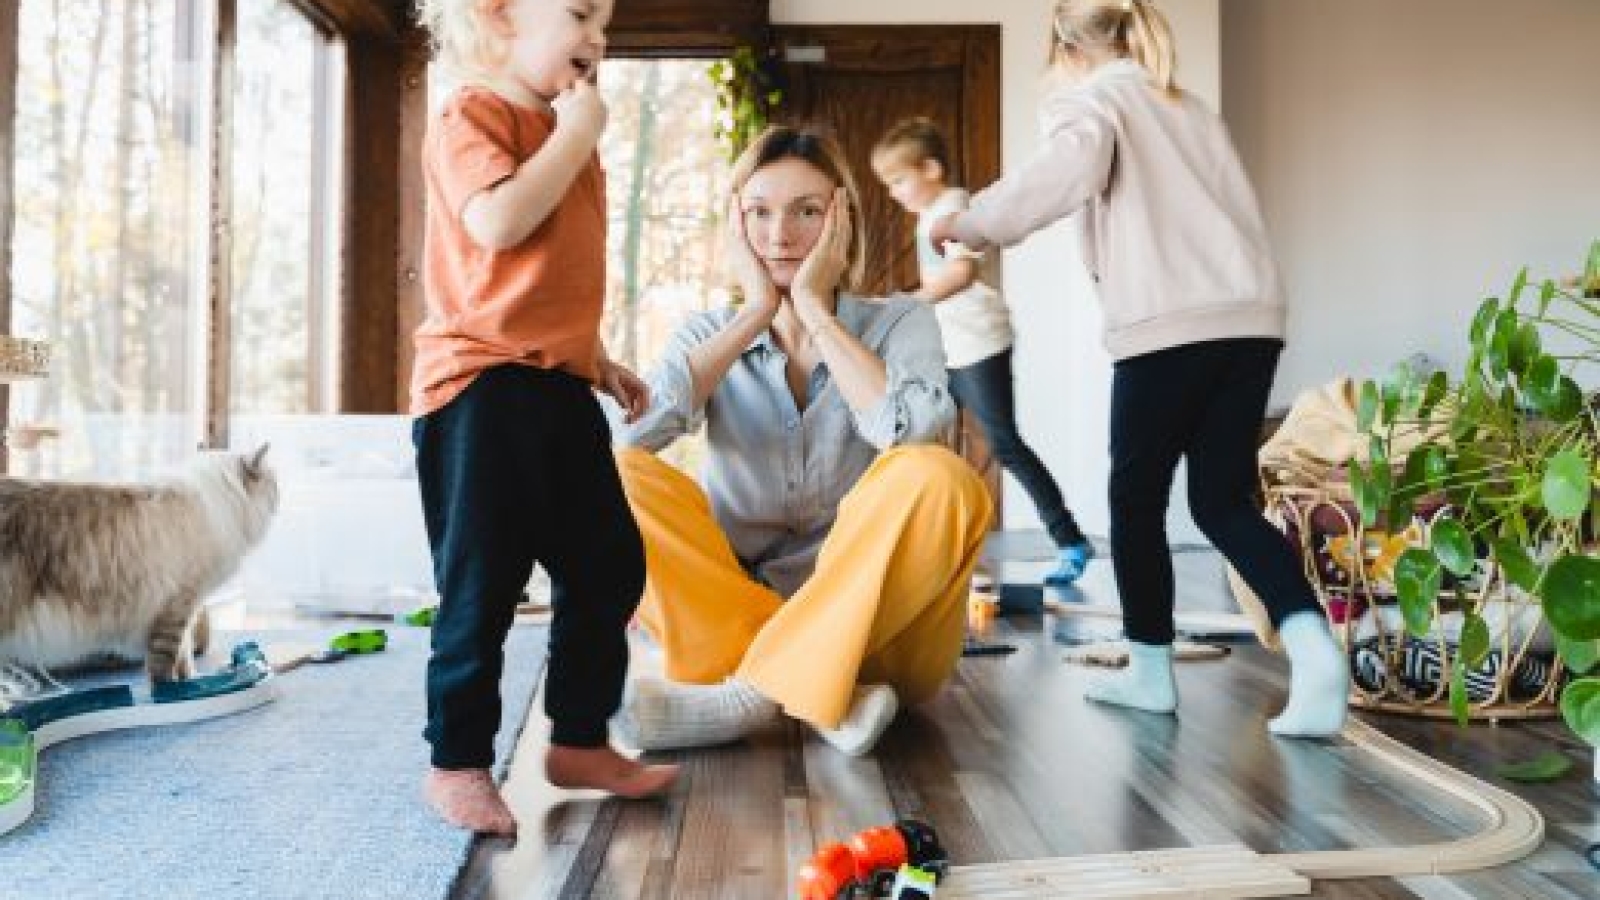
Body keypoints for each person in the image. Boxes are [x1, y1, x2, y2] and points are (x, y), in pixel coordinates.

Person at [930, 0, 1348, 737]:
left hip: (1170, 327)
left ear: (1064, 43)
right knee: (1221, 503)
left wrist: (967, 223)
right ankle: (1316, 652)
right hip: (1250, 318)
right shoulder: (1186, 106)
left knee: (1134, 499)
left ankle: (1151, 672)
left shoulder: (1092, 101)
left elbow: (1058, 177)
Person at [606, 125, 993, 757]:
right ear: (735, 226)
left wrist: (815, 309)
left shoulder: (901, 321)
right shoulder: (707, 332)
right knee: (616, 478)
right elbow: (627, 437)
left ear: (843, 224)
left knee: (940, 476)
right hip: (728, 622)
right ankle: (825, 692)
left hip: (880, 632)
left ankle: (751, 697)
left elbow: (915, 433)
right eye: (758, 212)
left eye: (806, 212)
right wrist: (754, 315)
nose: (780, 235)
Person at [410, 0, 677, 835]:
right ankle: (457, 762)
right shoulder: (472, 113)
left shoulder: (562, 131)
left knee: (609, 564)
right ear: (499, 16)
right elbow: (498, 223)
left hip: (555, 385)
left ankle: (580, 736)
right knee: (482, 588)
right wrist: (576, 134)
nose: (596, 37)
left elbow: (543, 277)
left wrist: (596, 358)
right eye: (577, 13)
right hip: (481, 389)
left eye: (603, 20)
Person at [872, 117, 1093, 585]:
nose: (893, 192)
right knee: (922, 439)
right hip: (946, 348)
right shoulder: (928, 217)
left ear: (930, 169)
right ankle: (929, 546)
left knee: (1003, 444)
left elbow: (960, 275)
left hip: (978, 344)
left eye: (898, 180)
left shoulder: (953, 207)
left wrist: (902, 305)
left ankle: (1069, 539)